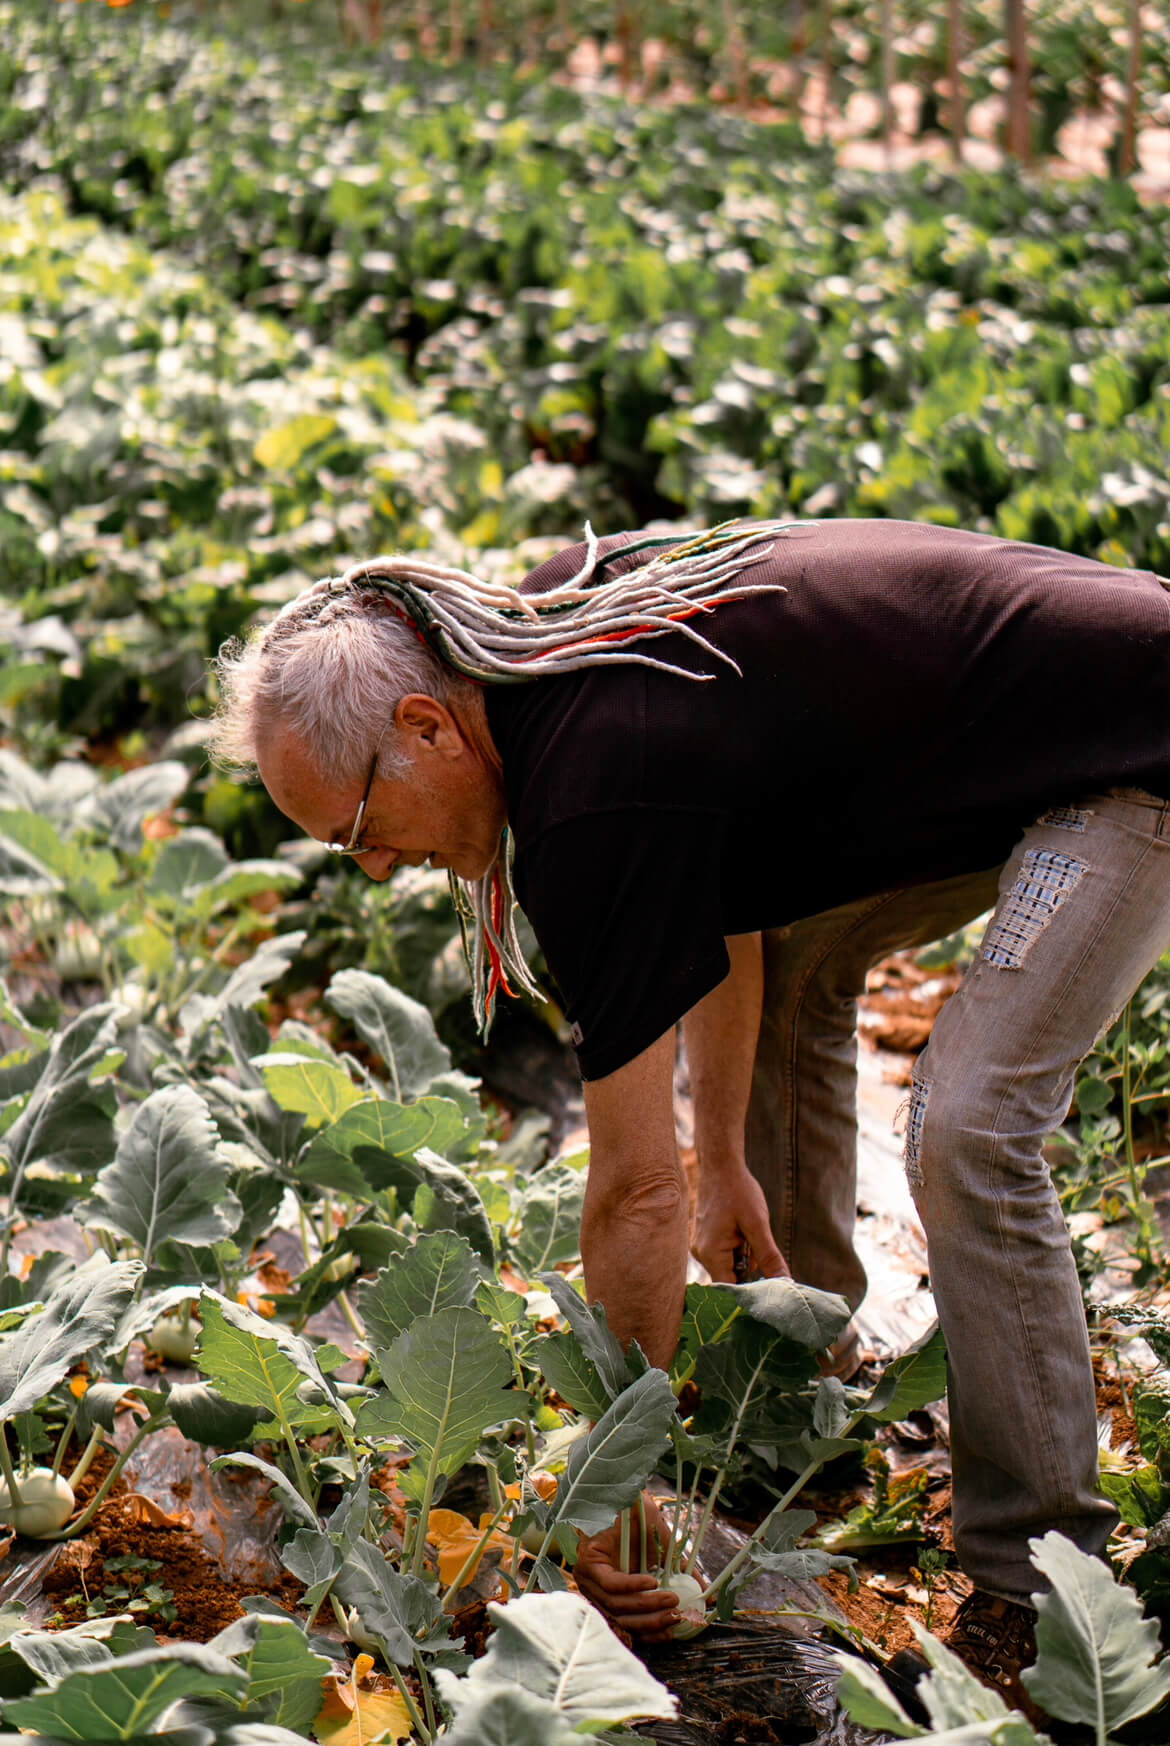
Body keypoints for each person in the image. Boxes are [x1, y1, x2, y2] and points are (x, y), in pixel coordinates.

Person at [210, 516, 1170, 1708]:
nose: (367, 867)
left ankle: (1039, 1584)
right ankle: (803, 1366)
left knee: (970, 1123)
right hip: (1021, 740)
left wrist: (606, 1478)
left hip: (1137, 750)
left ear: (425, 727)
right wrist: (725, 1157)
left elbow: (630, 1189)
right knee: (807, 965)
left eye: (358, 828)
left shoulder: (588, 790)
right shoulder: (545, 639)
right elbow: (719, 899)